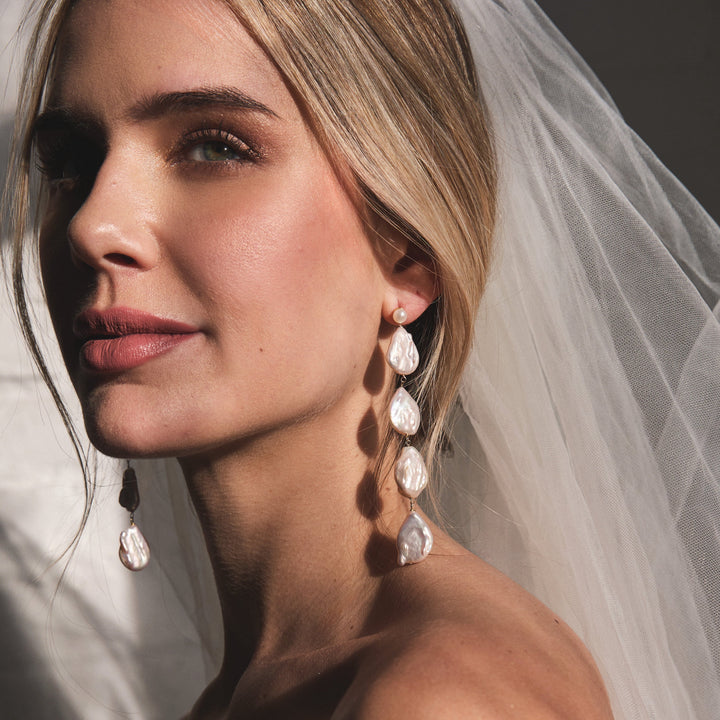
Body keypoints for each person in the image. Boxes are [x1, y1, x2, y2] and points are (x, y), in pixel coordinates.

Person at [3, 0, 719, 718]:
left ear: (407, 250)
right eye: (71, 162)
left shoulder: (443, 698)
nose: (92, 224)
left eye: (213, 148)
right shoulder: (251, 694)